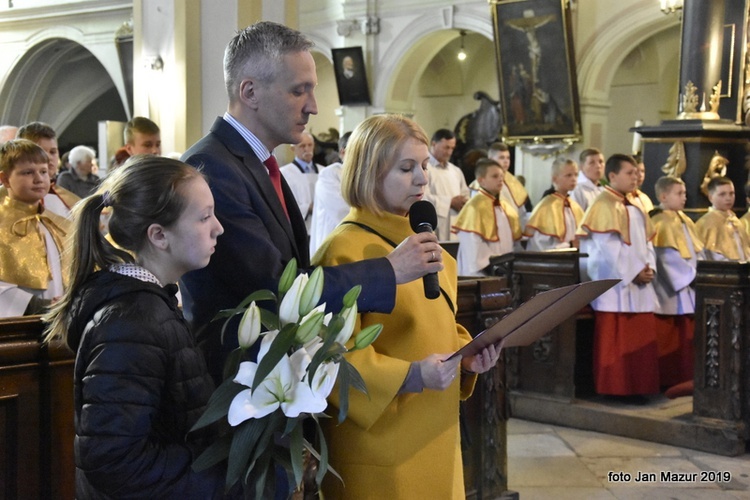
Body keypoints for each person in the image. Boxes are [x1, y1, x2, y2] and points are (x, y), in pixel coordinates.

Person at [180, 21, 441, 383]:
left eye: (312, 90)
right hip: (237, 378)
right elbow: (273, 288)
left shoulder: (259, 163)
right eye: (298, 91)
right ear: (250, 92)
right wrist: (389, 271)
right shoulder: (212, 169)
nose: (313, 107)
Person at [312, 114, 501, 499]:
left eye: (425, 165)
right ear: (369, 172)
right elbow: (331, 357)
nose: (422, 178)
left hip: (435, 427)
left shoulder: (424, 241)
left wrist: (466, 355)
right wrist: (412, 375)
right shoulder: (345, 249)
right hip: (381, 440)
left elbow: (431, 321)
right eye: (406, 167)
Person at [43, 156, 226, 498]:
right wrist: (226, 477)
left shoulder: (149, 306)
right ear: (158, 235)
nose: (218, 227)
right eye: (204, 217)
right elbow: (114, 462)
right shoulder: (131, 323)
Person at [576, 153, 660, 401]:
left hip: (639, 283)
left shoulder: (637, 205)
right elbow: (605, 249)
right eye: (629, 173)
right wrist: (633, 272)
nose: (635, 178)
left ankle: (639, 388)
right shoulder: (602, 205)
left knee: (639, 337)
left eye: (636, 173)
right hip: (616, 285)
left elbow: (648, 243)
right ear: (612, 176)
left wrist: (650, 268)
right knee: (616, 338)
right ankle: (615, 389)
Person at [0, 139, 70, 317]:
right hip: (17, 324)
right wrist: (35, 305)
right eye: (28, 172)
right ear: (5, 179)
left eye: (44, 172)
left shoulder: (58, 223)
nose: (39, 179)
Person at [650, 176, 704, 389]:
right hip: (671, 289)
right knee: (670, 335)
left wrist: (701, 272)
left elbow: (696, 251)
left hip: (690, 285)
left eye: (684, 193)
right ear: (664, 196)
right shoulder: (658, 221)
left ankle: (685, 378)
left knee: (687, 335)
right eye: (679, 193)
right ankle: (669, 381)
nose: (684, 197)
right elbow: (665, 257)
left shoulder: (685, 219)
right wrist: (689, 276)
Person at [453, 158, 522, 276]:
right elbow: (472, 245)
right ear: (481, 180)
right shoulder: (474, 207)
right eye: (495, 176)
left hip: (505, 270)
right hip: (482, 273)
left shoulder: (505, 206)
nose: (501, 179)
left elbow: (513, 243)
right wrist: (491, 266)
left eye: (501, 176)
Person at [14, 121, 80, 216]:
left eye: (53, 152)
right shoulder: (7, 199)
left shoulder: (70, 202)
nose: (48, 157)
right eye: (41, 151)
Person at [524, 157, 584, 251]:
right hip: (552, 261)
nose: (574, 179)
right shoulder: (546, 207)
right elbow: (540, 244)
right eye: (568, 175)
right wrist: (569, 245)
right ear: (555, 179)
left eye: (576, 175)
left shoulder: (574, 206)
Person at [309, 131, 351, 255]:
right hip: (332, 241)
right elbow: (342, 210)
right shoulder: (330, 174)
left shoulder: (365, 175)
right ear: (343, 152)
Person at [424, 128, 469, 241]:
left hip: (456, 225)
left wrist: (464, 201)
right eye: (446, 147)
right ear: (434, 144)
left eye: (452, 148)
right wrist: (450, 202)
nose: (449, 152)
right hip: (437, 225)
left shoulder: (456, 171)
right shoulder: (424, 168)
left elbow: (465, 194)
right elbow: (423, 198)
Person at [695, 176, 750, 261]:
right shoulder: (705, 223)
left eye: (731, 193)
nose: (728, 198)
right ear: (711, 197)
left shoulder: (735, 220)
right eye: (722, 194)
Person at [280, 130, 323, 226]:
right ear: (293, 148)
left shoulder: (323, 171)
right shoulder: (284, 173)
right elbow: (283, 205)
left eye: (310, 145)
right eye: (302, 146)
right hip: (300, 226)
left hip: (321, 225)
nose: (307, 149)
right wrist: (308, 207)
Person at [488, 141, 529, 226]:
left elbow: (521, 212)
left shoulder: (515, 183)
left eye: (508, 158)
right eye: (502, 158)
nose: (506, 161)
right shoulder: (482, 183)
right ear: (491, 159)